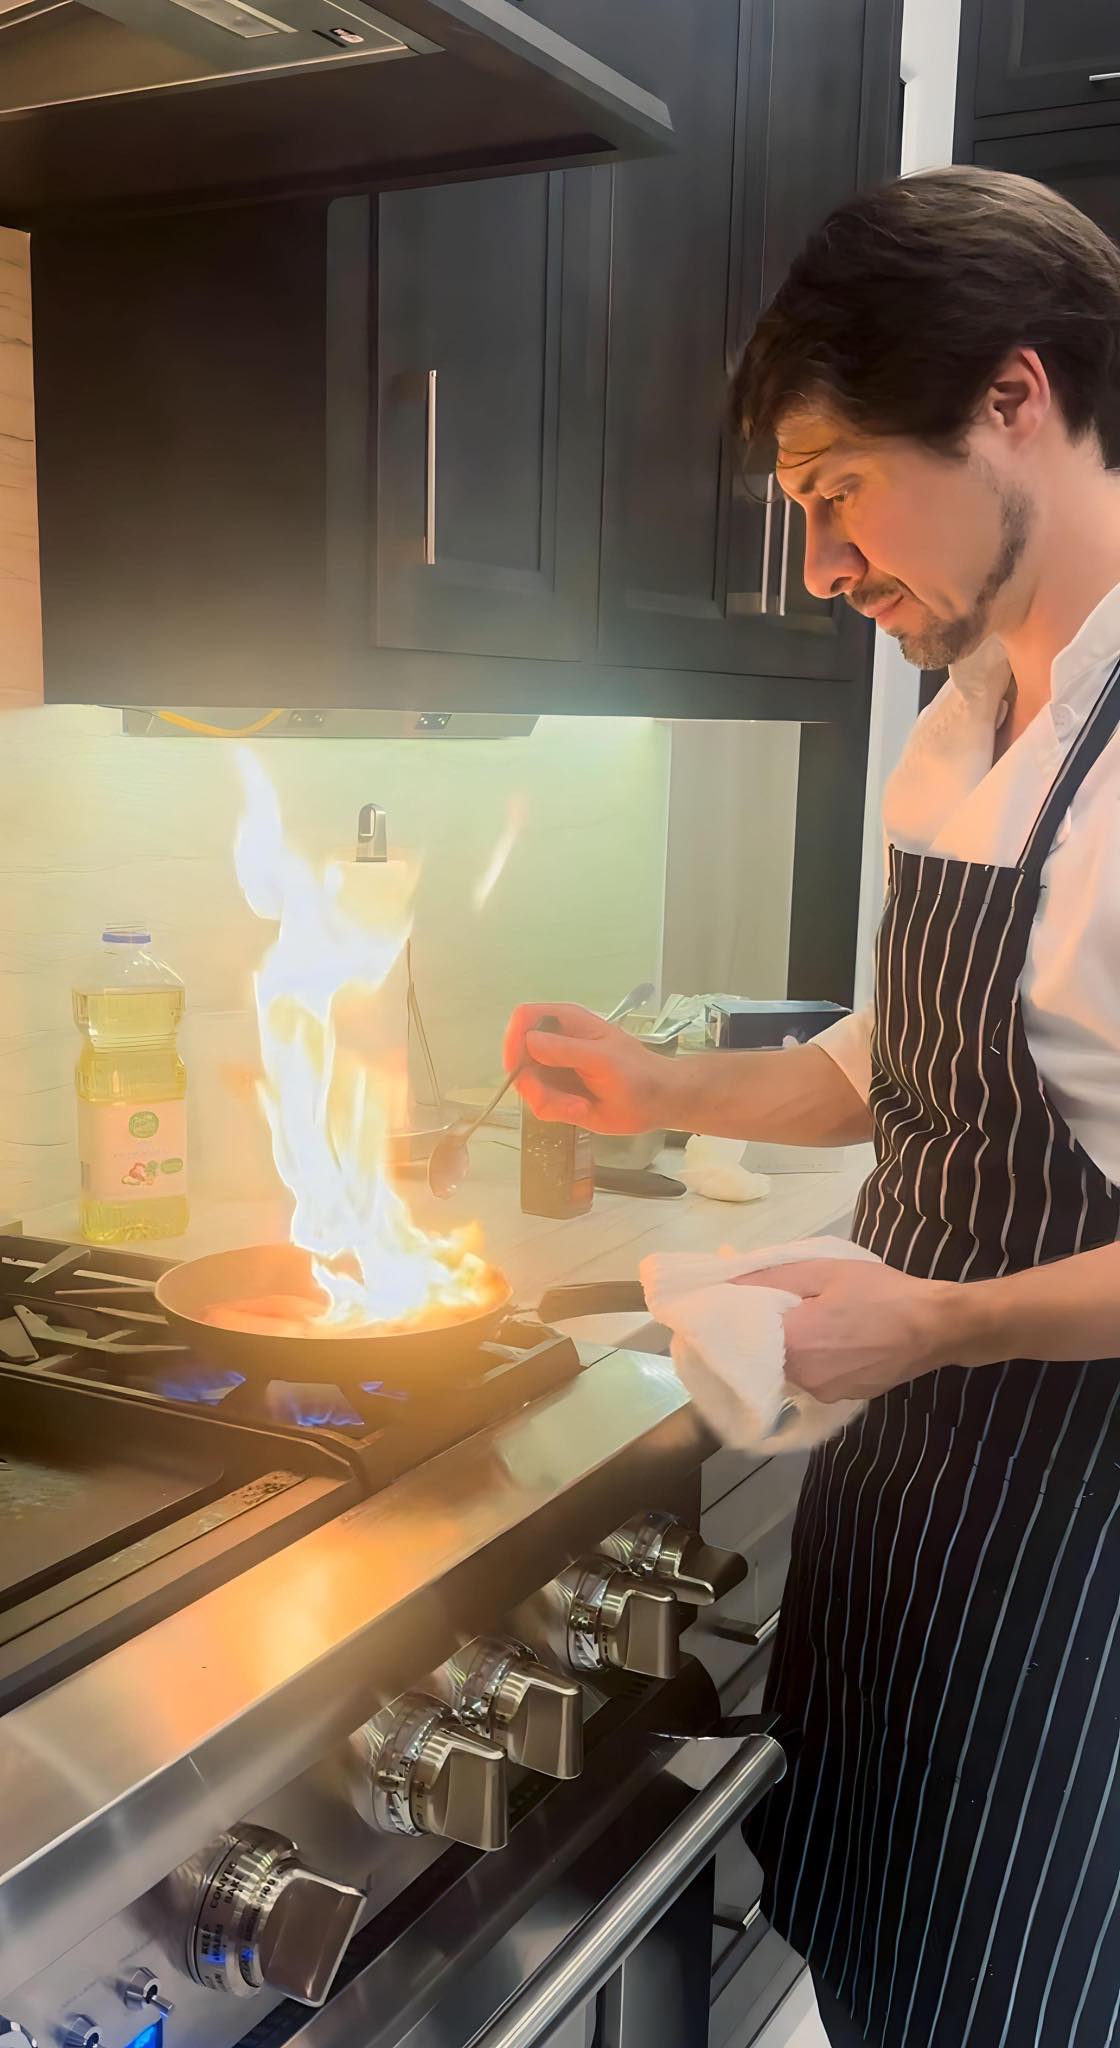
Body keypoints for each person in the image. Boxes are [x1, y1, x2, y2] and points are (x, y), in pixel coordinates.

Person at [504, 166, 1120, 2048]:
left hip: (1073, 1574)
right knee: (872, 1946)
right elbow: (906, 1056)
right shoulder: (968, 719)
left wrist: (939, 1319)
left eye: (838, 489)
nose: (826, 566)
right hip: (912, 1522)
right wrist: (663, 1081)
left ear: (1013, 400)